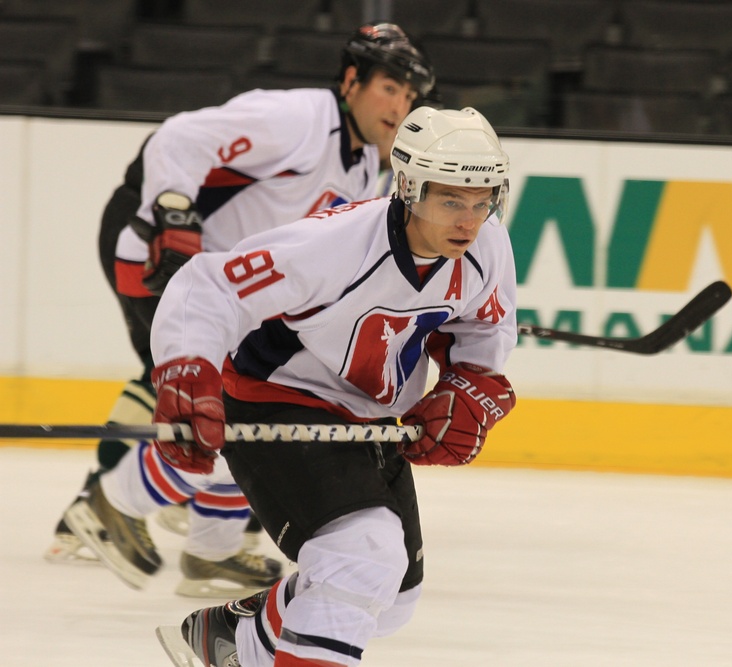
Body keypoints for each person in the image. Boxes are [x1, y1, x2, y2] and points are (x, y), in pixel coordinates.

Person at [51, 23, 436, 599]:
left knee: (251, 393)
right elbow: (181, 138)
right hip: (162, 255)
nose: (400, 105)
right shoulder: (302, 118)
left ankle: (210, 549)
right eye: (390, 87)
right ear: (351, 81)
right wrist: (175, 210)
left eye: (410, 97)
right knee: (228, 397)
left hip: (219, 285)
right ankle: (114, 504)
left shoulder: (363, 167)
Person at [152, 105, 517, 667]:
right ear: (409, 188)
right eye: (451, 201)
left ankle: (236, 641)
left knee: (390, 599)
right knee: (361, 557)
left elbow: (484, 326)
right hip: (279, 400)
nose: (469, 221)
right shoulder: (335, 245)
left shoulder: (486, 246)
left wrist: (470, 384)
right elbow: (209, 288)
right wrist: (186, 368)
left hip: (369, 419)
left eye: (482, 200)